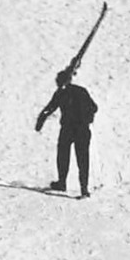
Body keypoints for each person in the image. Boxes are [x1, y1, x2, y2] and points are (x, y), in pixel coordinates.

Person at [35, 69, 98, 199]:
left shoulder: (61, 93)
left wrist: (40, 121)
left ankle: (62, 182)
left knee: (63, 155)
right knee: (82, 158)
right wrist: (87, 116)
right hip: (82, 129)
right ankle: (83, 189)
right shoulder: (81, 90)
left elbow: (50, 108)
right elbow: (94, 107)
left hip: (69, 128)